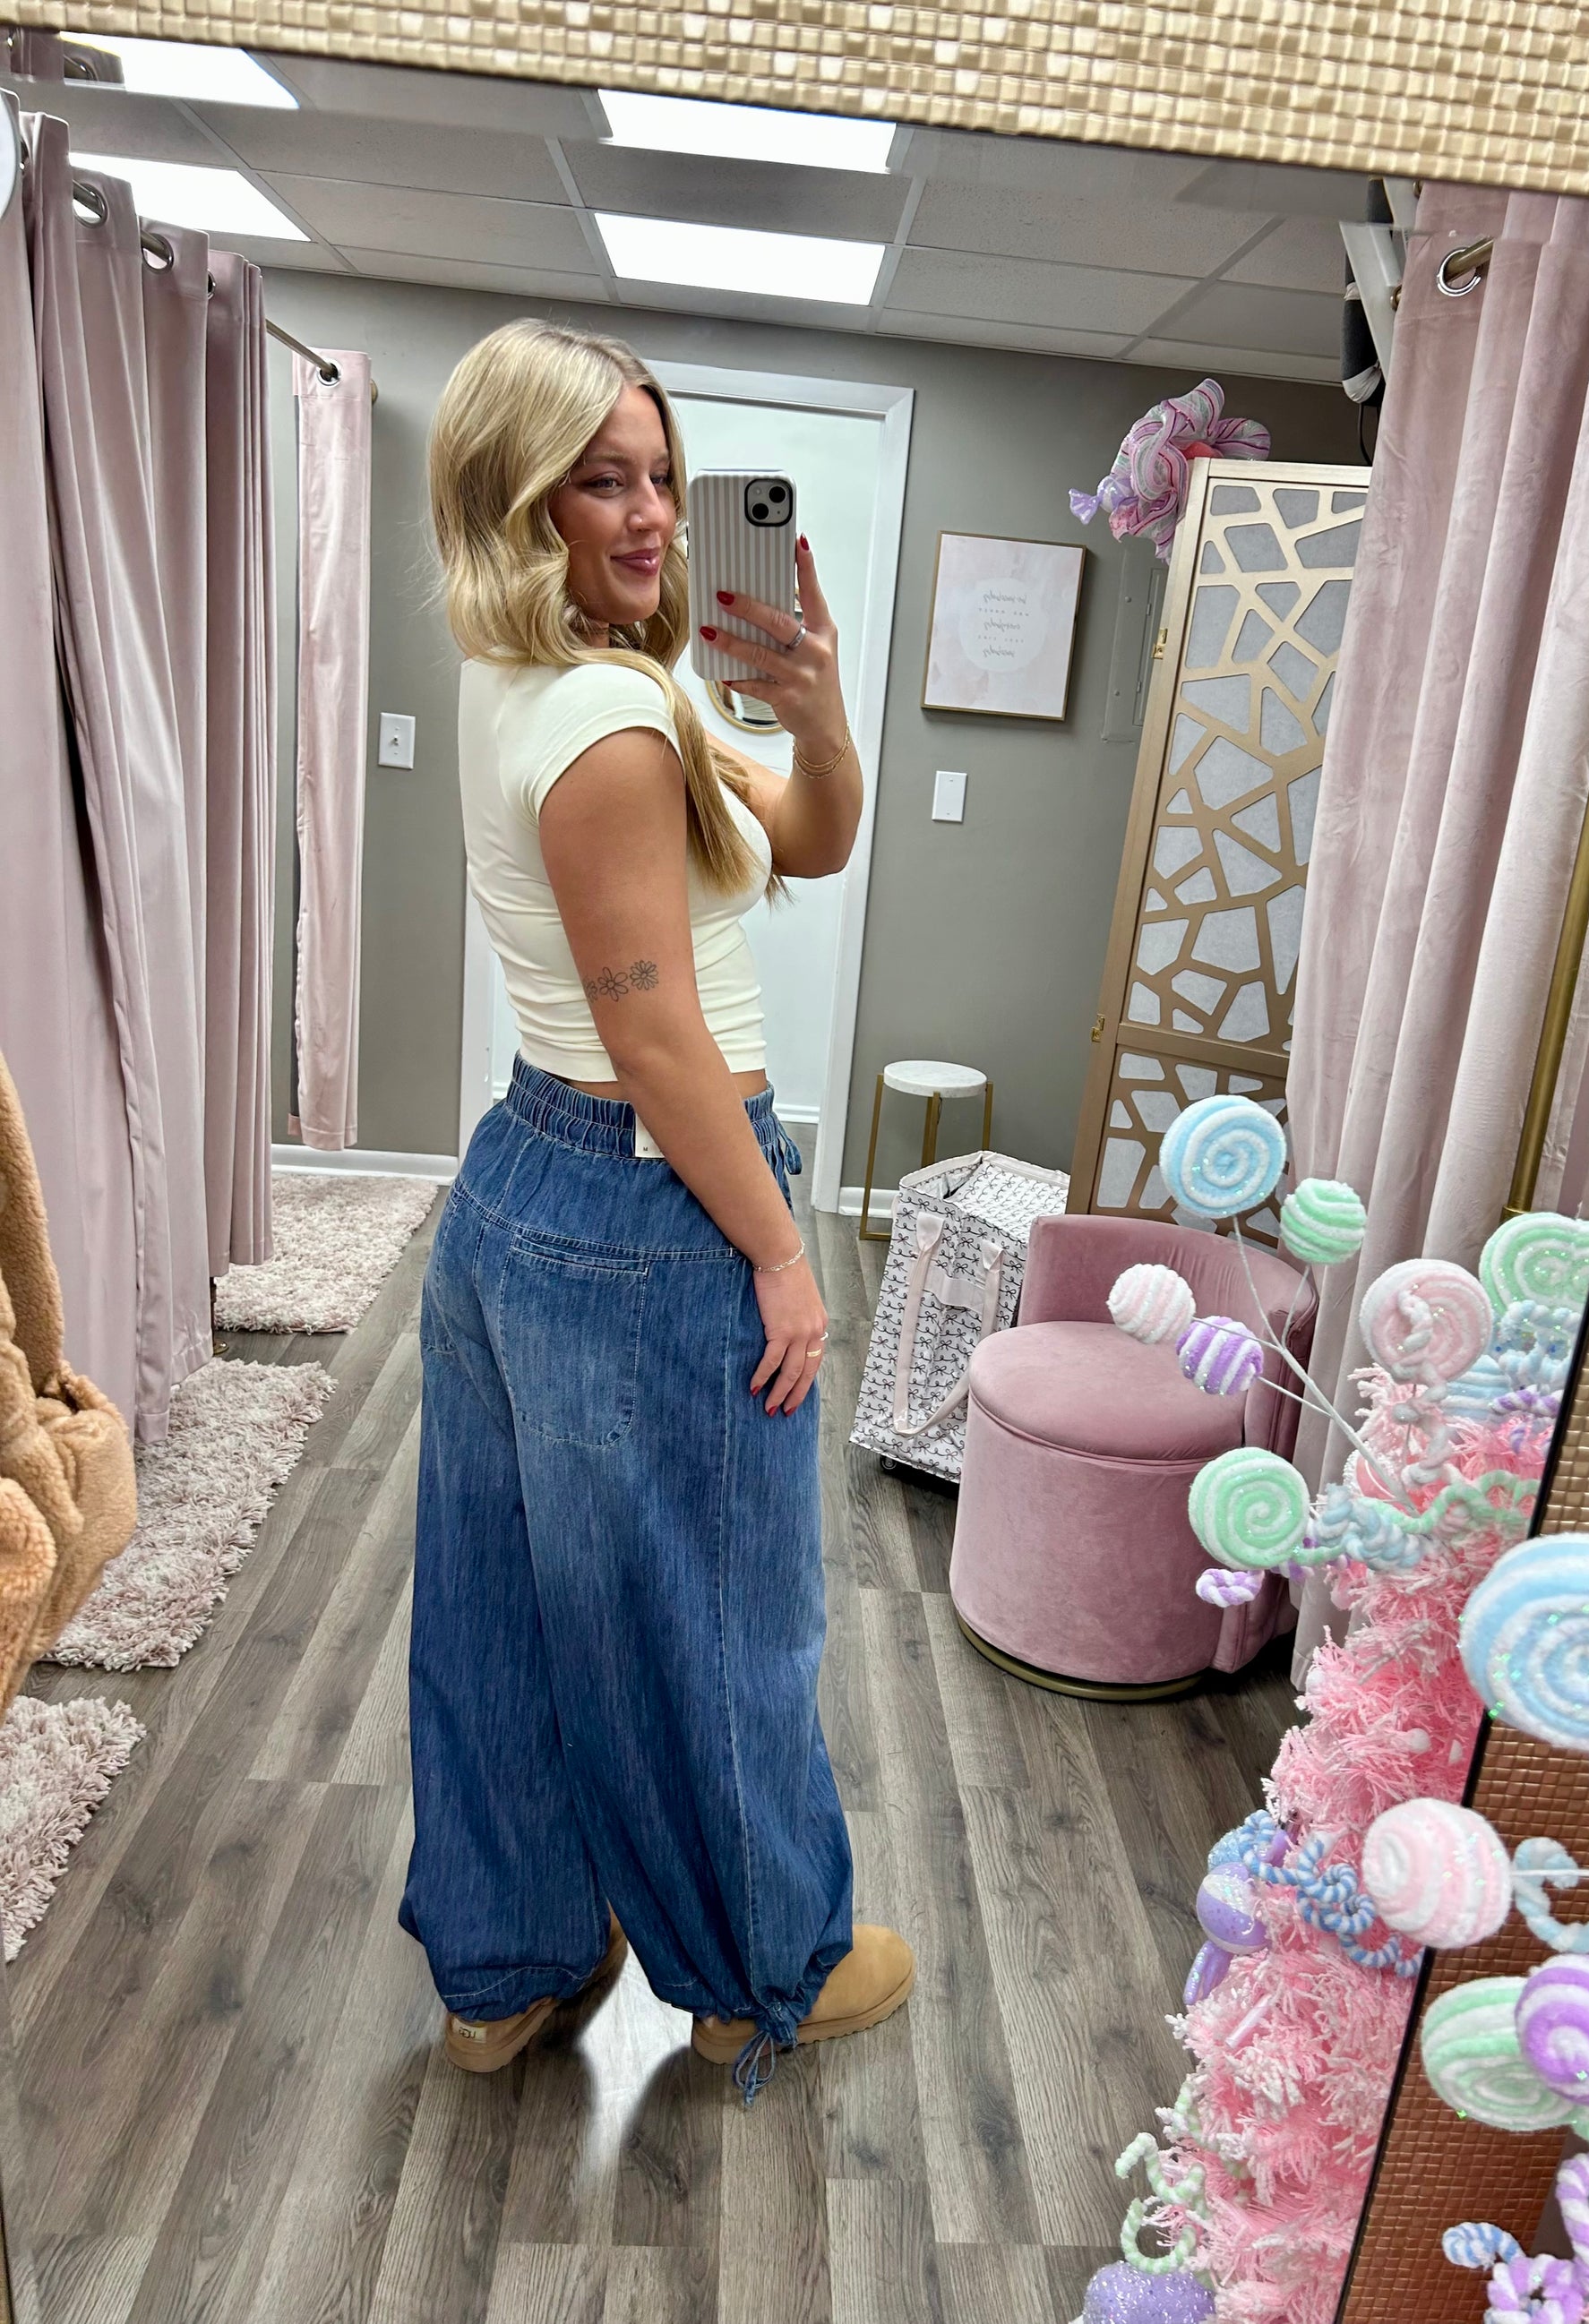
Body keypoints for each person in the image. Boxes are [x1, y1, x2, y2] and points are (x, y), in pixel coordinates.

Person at [407, 320, 912, 2098]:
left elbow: (814, 838)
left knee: (495, 1605)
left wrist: (816, 706)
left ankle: (507, 1966)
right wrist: (781, 1250)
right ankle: (766, 1967)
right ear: (514, 497)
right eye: (600, 480)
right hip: (654, 1204)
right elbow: (656, 1033)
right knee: (722, 1618)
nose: (650, 515)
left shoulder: (561, 676)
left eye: (663, 476)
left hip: (522, 1187)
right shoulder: (614, 719)